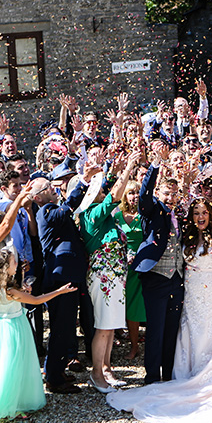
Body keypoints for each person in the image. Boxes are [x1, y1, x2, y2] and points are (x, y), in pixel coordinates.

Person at [106, 197, 212, 423]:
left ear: (210, 215)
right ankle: (190, 371)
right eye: (196, 213)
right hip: (192, 289)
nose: (200, 217)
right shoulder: (187, 235)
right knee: (192, 330)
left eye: (204, 212)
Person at [0, 248, 76, 422]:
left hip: (1, 326)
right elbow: (38, 300)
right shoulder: (10, 290)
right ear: (5, 267)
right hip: (14, 327)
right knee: (14, 365)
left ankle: (12, 400)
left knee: (5, 364)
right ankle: (12, 405)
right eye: (13, 262)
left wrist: (24, 290)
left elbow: (21, 297)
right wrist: (60, 292)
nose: (17, 265)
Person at [78, 153, 139, 392]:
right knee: (103, 326)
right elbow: (115, 194)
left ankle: (106, 367)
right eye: (99, 191)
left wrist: (115, 168)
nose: (104, 193)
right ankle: (96, 374)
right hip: (103, 276)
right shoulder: (90, 215)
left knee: (111, 325)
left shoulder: (105, 217)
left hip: (115, 276)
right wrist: (129, 168)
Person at [132, 145, 185, 384]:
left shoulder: (179, 214)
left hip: (176, 279)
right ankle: (152, 377)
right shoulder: (151, 210)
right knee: (155, 329)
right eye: (166, 193)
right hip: (155, 276)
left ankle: (169, 373)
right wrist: (155, 167)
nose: (170, 197)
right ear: (159, 193)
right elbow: (144, 196)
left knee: (171, 329)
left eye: (174, 193)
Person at [32, 173, 89, 394]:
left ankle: (57, 369)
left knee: (66, 328)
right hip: (59, 278)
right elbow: (67, 208)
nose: (53, 188)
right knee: (60, 328)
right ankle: (54, 378)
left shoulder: (52, 211)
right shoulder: (46, 212)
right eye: (47, 187)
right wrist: (83, 182)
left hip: (69, 276)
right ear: (38, 197)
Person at [114, 180, 146, 360]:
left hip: (144, 265)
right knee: (130, 308)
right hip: (125, 267)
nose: (134, 196)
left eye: (137, 192)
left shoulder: (145, 215)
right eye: (130, 193)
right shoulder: (117, 217)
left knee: (147, 305)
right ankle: (134, 347)